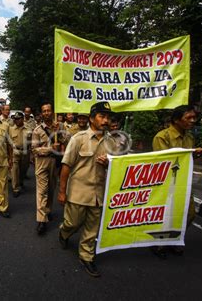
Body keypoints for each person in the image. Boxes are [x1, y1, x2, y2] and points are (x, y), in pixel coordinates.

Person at [57, 101, 117, 277]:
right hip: (78, 193)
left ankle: (86, 256)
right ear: (92, 119)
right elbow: (66, 166)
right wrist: (62, 192)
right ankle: (64, 232)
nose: (105, 120)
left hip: (99, 194)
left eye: (108, 117)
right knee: (72, 223)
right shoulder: (78, 139)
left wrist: (108, 163)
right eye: (102, 116)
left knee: (92, 229)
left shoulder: (111, 142)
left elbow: (116, 166)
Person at [151, 105, 202, 258]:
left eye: (194, 117)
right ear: (176, 120)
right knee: (166, 215)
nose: (193, 121)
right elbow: (165, 161)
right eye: (189, 118)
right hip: (167, 183)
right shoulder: (162, 137)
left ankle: (173, 240)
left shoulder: (189, 137)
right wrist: (193, 152)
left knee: (189, 213)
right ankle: (158, 244)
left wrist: (201, 152)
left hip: (183, 181)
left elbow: (188, 157)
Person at [32, 103, 65, 235]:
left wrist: (59, 133)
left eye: (48, 110)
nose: (46, 113)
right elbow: (34, 149)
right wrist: (51, 149)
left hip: (54, 162)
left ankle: (48, 210)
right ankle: (41, 220)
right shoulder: (37, 130)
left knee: (51, 188)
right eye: (44, 111)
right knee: (42, 190)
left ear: (52, 112)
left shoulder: (59, 126)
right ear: (41, 113)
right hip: (41, 162)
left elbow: (66, 141)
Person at [9, 112, 32, 198]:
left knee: (24, 169)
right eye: (15, 119)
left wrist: (32, 153)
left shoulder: (28, 128)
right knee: (14, 170)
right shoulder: (11, 129)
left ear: (22, 119)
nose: (16, 120)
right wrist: (9, 155)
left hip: (26, 151)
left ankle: (20, 181)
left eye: (18, 119)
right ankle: (16, 188)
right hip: (15, 151)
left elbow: (32, 141)